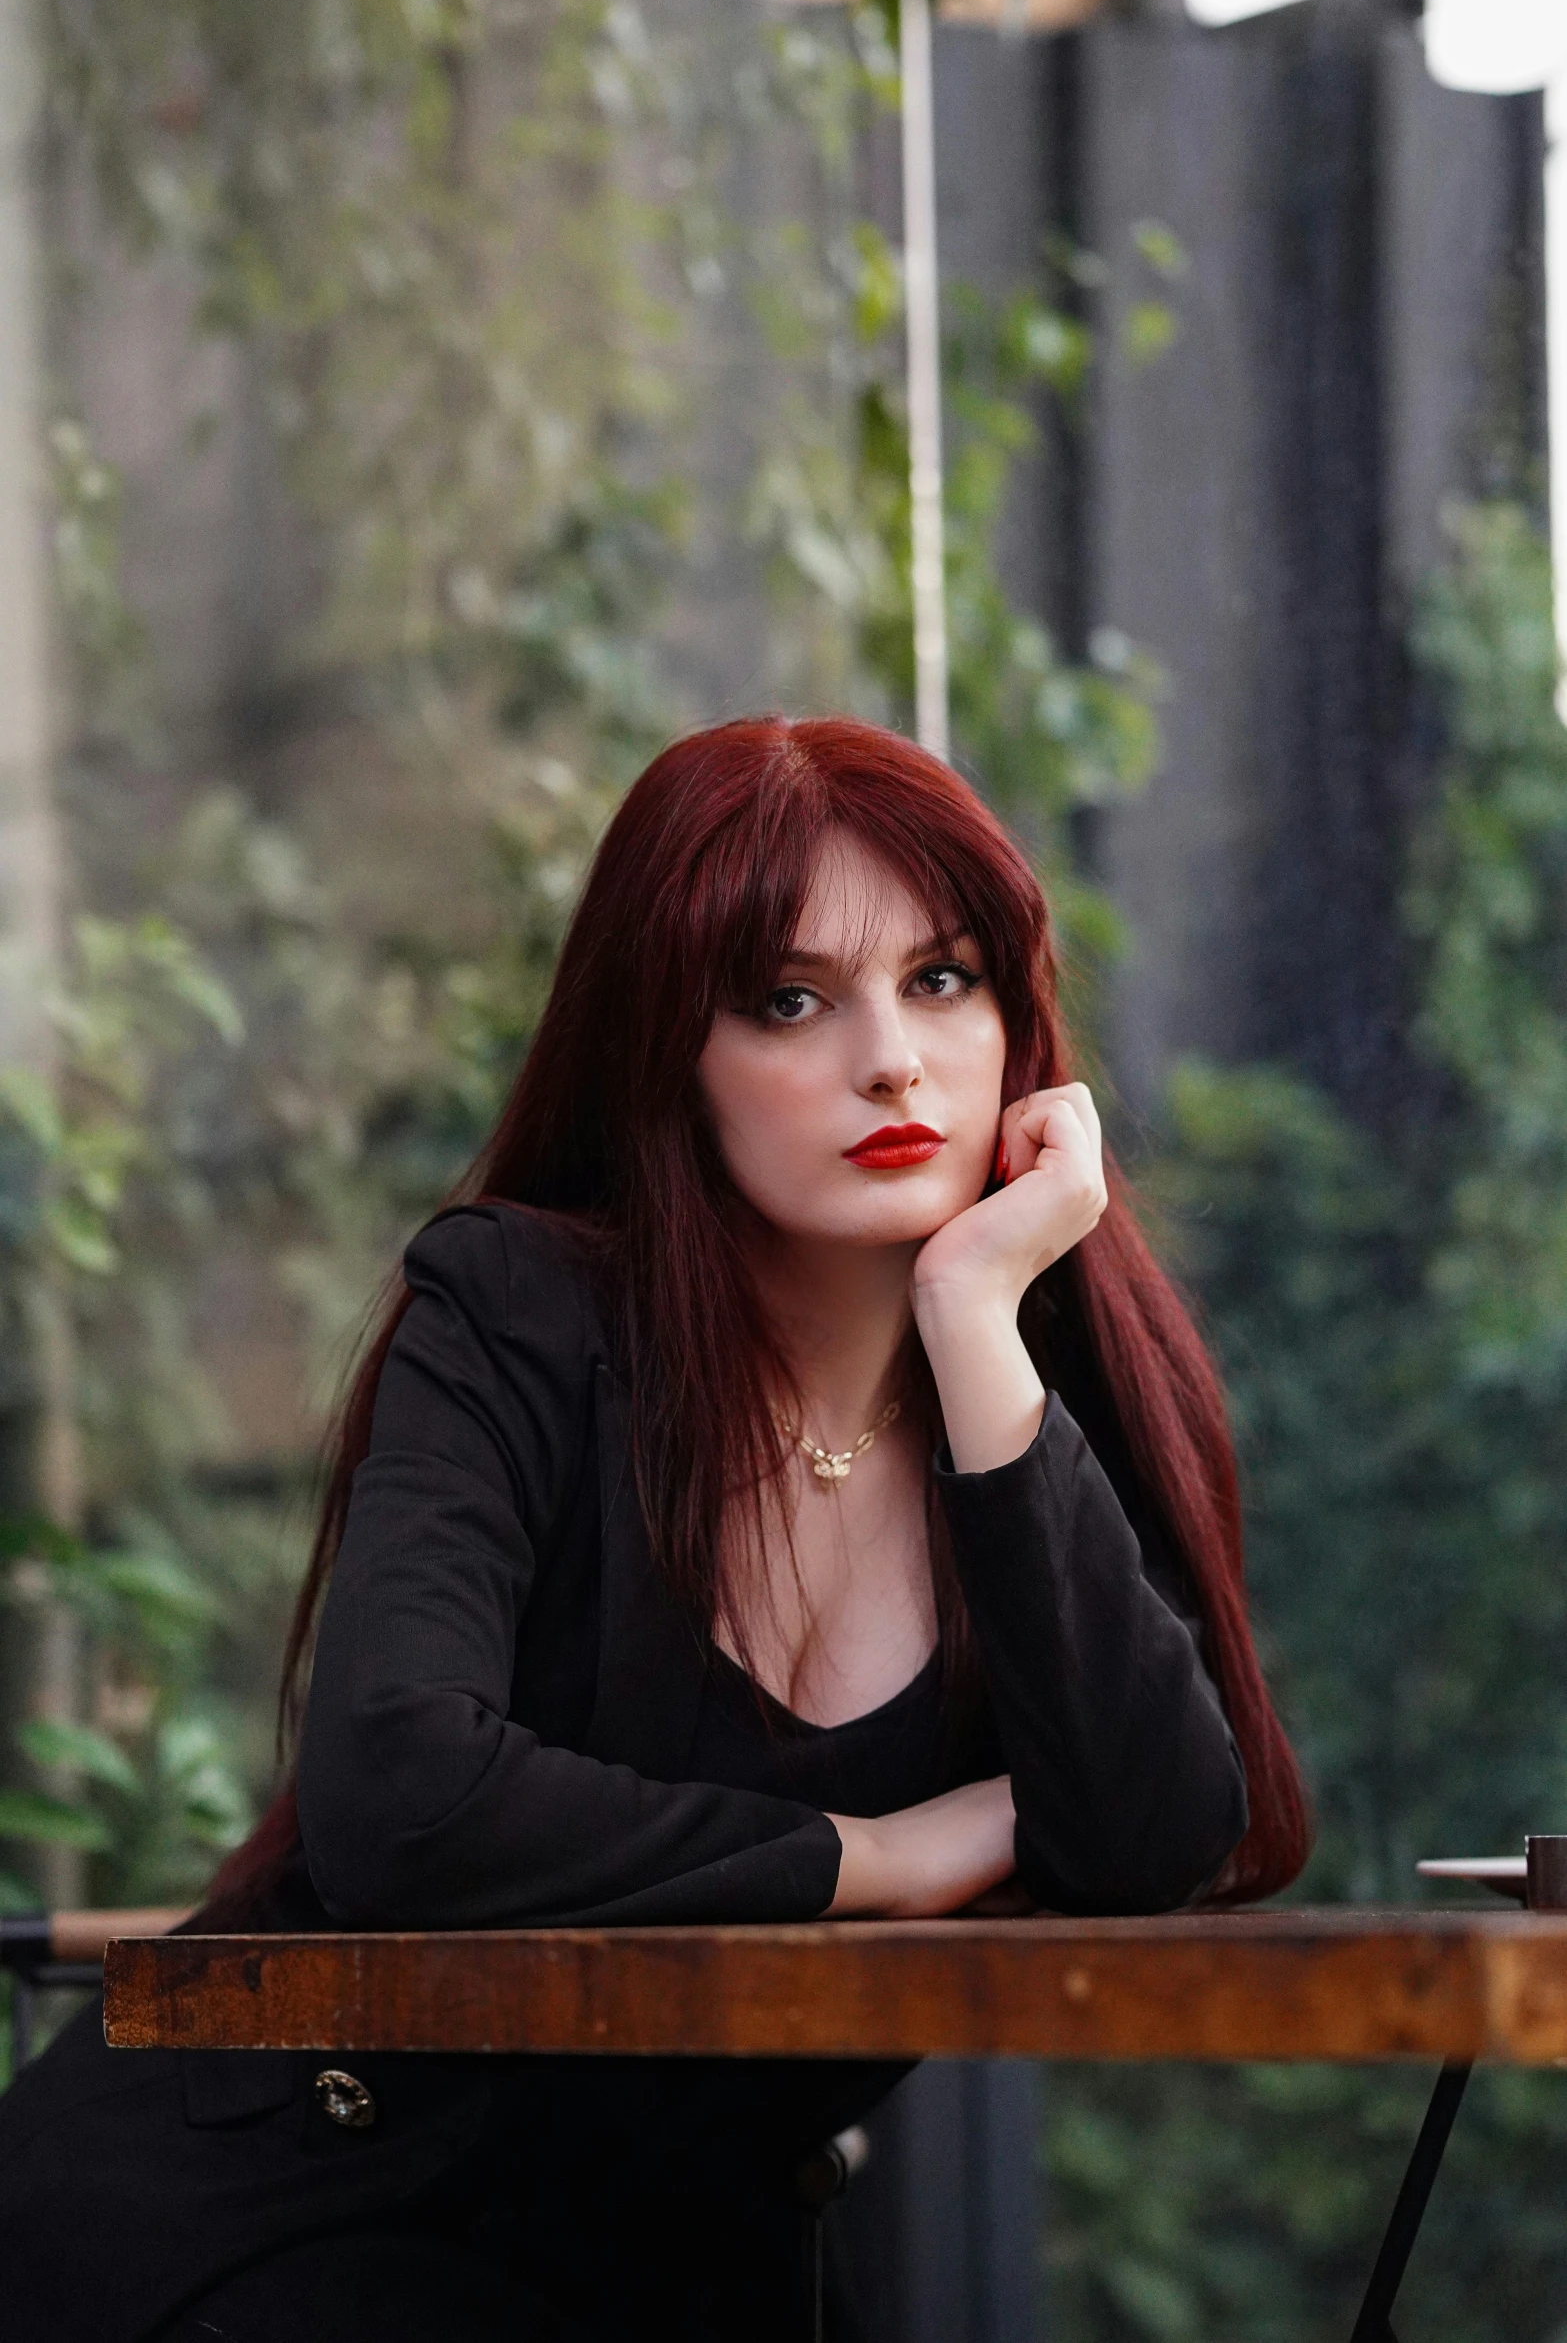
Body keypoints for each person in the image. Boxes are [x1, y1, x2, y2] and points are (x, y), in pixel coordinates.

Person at [0, 716, 1309, 2342]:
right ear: (666, 1052)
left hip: (663, 2260)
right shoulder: (517, 1312)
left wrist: (975, 1310)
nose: (891, 1058)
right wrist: (871, 1857)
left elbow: (1157, 1834)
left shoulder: (1033, 1414)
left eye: (944, 978)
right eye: (787, 999)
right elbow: (396, 1791)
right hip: (266, 2206)